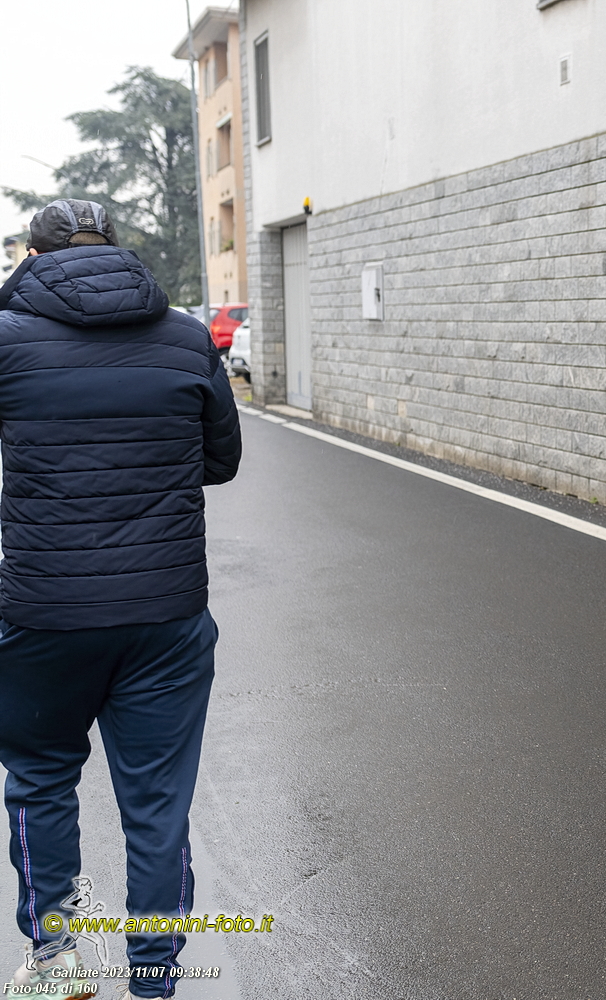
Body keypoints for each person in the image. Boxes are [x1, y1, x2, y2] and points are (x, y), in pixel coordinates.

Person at [0, 200, 241, 999]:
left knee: (40, 778)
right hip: (166, 611)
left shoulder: (7, 339)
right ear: (116, 249)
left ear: (33, 257)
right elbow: (221, 460)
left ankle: (56, 958)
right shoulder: (185, 336)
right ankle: (154, 975)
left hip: (43, 611)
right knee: (158, 801)